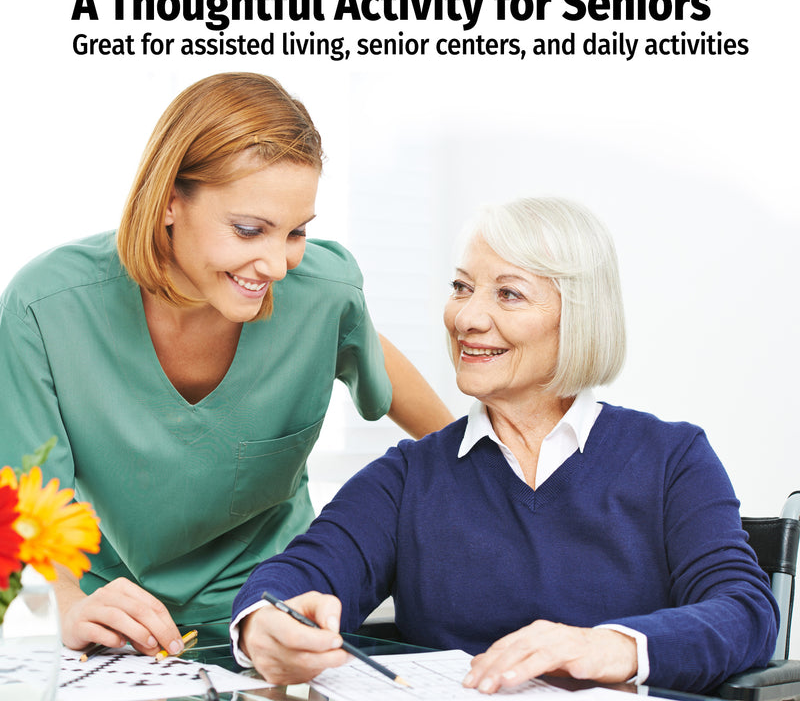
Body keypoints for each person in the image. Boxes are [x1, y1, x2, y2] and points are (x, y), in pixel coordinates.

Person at [231, 197, 778, 695]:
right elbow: (297, 575)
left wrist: (605, 647)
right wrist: (263, 624)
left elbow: (745, 612)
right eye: (462, 287)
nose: (466, 318)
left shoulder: (672, 458)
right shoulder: (408, 476)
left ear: (578, 315)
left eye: (509, 293)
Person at [0, 72, 452, 659]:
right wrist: (70, 602)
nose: (277, 265)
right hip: (121, 623)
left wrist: (502, 488)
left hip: (278, 609)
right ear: (168, 201)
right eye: (248, 229)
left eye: (296, 233)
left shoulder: (321, 294)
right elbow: (36, 494)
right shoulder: (46, 307)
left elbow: (432, 426)